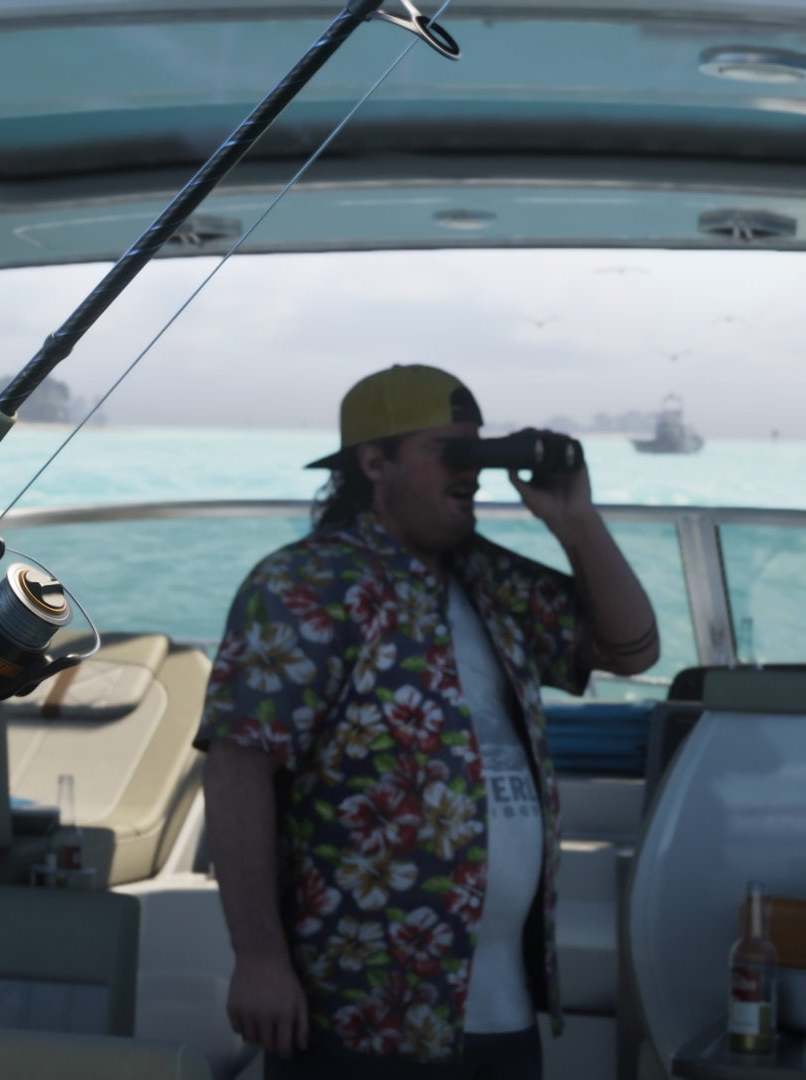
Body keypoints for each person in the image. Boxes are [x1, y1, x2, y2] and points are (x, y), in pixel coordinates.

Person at [195, 365, 658, 1077]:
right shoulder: (306, 584)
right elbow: (237, 766)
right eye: (450, 451)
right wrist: (258, 958)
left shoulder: (488, 579)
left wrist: (576, 521)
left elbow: (632, 651)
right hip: (362, 1013)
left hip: (502, 1010)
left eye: (479, 449)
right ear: (374, 463)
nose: (470, 471)